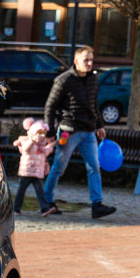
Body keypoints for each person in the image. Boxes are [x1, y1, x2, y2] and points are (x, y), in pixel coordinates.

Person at [42, 46, 117, 219]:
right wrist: (50, 132)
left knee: (94, 167)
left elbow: (94, 104)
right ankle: (47, 200)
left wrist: (100, 125)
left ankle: (97, 205)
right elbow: (50, 107)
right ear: (76, 61)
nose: (89, 63)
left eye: (91, 60)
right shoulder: (64, 80)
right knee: (59, 167)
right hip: (69, 131)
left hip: (89, 132)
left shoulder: (93, 79)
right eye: (86, 60)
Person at [12, 117, 55, 217]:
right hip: (27, 171)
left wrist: (51, 146)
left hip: (36, 172)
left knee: (39, 191)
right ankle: (16, 209)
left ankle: (45, 208)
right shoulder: (27, 141)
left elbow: (45, 153)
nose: (41, 136)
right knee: (21, 191)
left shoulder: (41, 145)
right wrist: (32, 140)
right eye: (39, 133)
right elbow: (26, 150)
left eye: (43, 133)